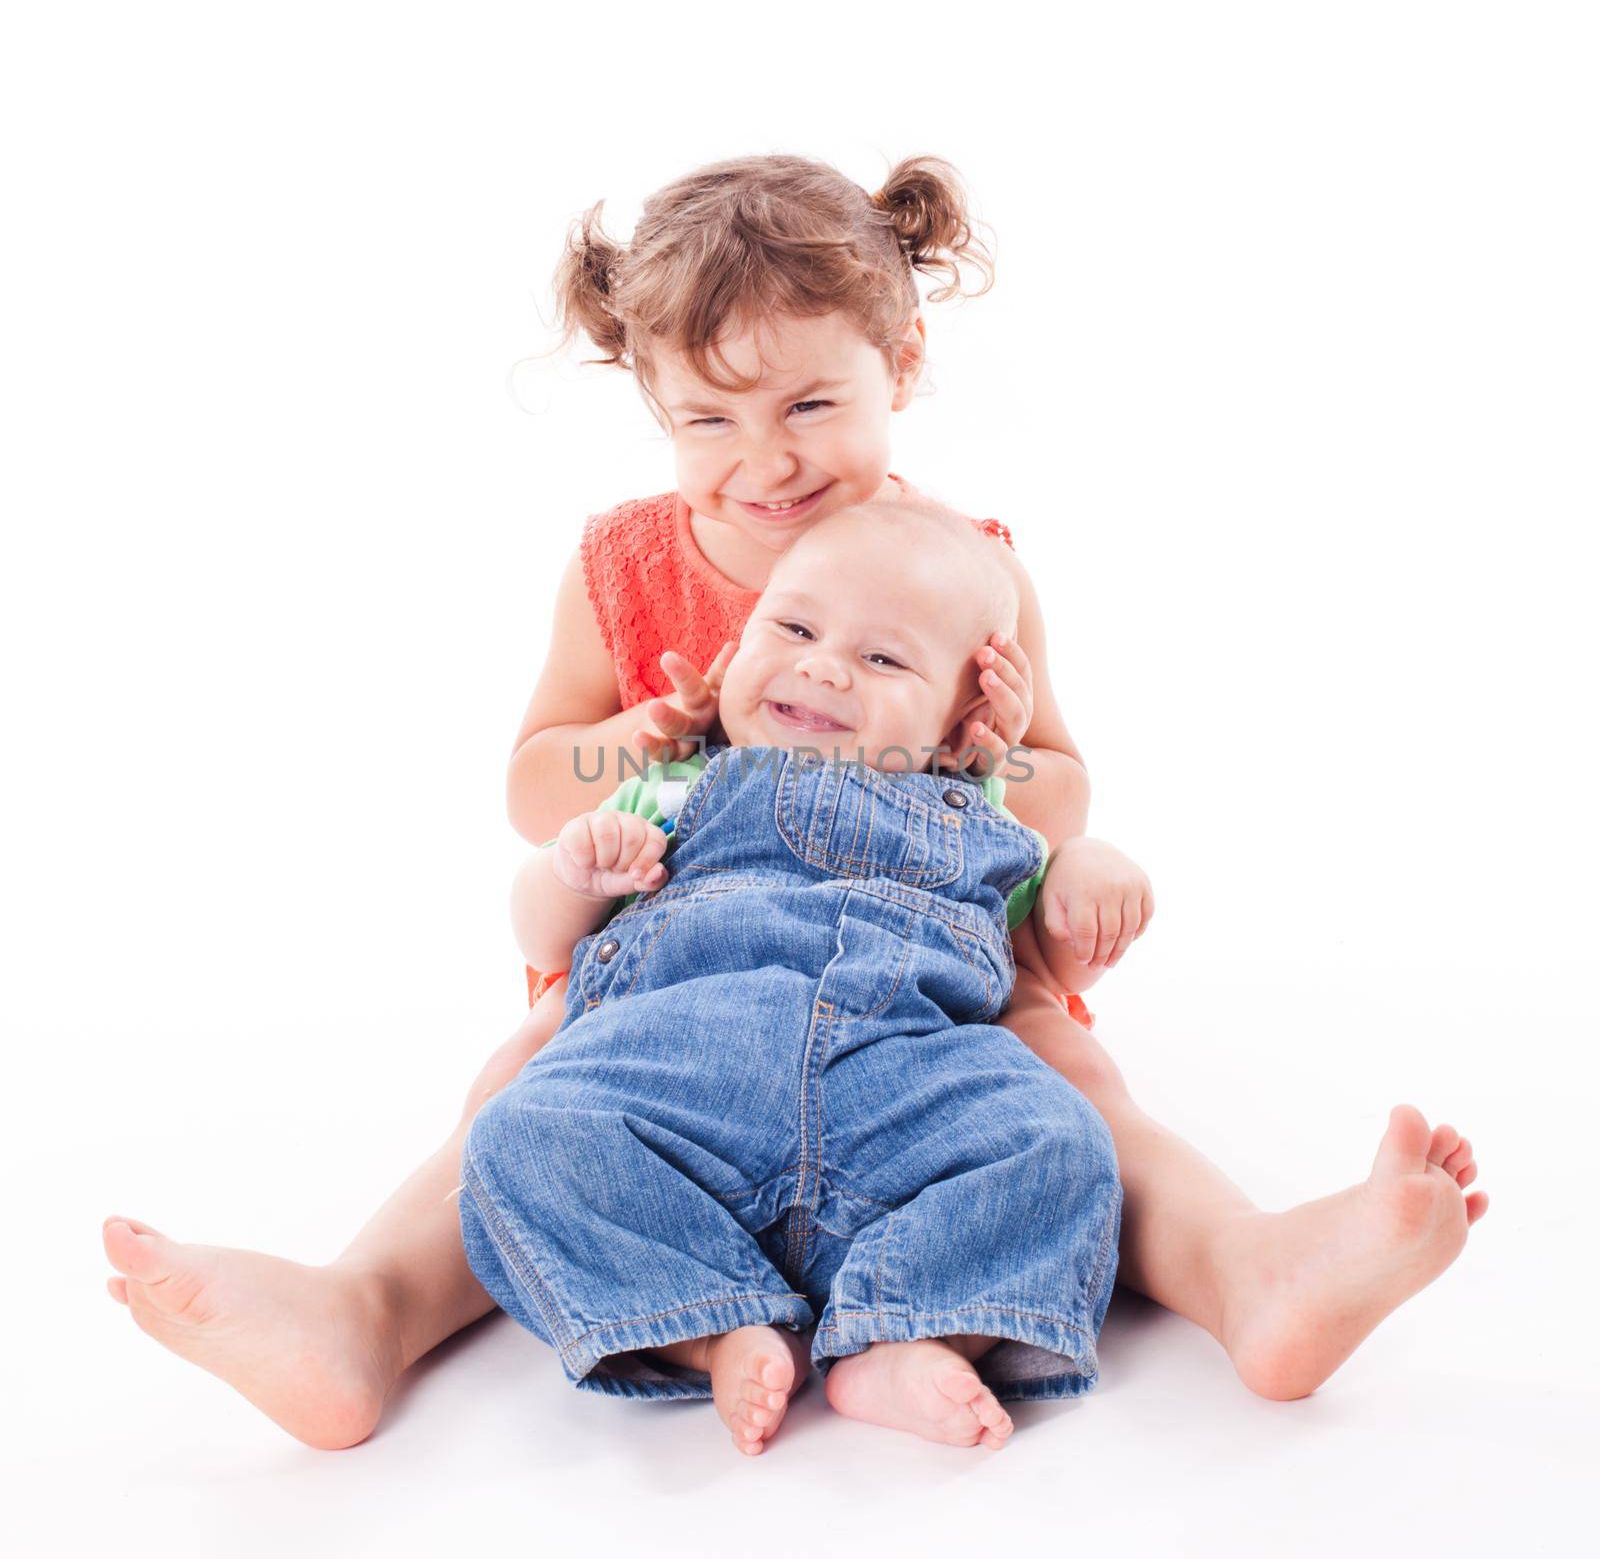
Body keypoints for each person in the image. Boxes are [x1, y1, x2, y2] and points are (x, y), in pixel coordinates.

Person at [102, 153, 1486, 1451]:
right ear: (654, 402)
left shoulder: (964, 569)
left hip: (928, 964)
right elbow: (536, 779)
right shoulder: (628, 567)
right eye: (709, 418)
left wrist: (986, 757)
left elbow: (1058, 786)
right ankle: (367, 1313)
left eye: (811, 407)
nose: (764, 463)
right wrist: (637, 754)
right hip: (678, 946)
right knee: (516, 1095)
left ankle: (1245, 1276)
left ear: (900, 364)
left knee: (1075, 1092)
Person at [471, 499, 1126, 1454]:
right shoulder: (675, 779)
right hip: (679, 1077)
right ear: (737, 646)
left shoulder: (976, 812)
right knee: (520, 1137)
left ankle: (905, 1334)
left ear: (959, 727)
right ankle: (713, 1329)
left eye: (883, 660)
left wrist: (1092, 871)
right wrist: (575, 874)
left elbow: (1057, 961)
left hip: (901, 1083)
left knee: (1064, 1147)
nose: (822, 665)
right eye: (794, 628)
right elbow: (540, 938)